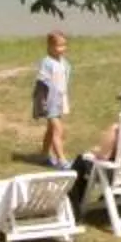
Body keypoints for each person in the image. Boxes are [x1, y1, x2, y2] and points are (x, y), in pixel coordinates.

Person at [70, 88, 121, 185]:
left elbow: (103, 156)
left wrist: (95, 151)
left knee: (81, 161)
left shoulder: (117, 129)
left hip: (117, 175)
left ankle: (72, 198)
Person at [33, 30, 71, 169]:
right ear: (49, 47)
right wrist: (41, 104)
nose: (62, 49)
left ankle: (44, 155)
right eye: (58, 46)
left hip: (59, 101)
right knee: (57, 130)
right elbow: (41, 84)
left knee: (51, 130)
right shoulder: (47, 63)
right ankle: (62, 160)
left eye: (64, 45)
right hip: (50, 102)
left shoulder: (64, 62)